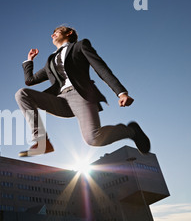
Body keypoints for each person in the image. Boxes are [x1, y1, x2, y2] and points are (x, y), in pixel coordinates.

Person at [15, 25, 150, 157]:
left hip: (80, 96)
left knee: (93, 138)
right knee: (22, 94)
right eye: (52, 33)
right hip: (60, 100)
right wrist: (29, 60)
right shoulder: (50, 61)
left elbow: (101, 68)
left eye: (56, 31)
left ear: (69, 33)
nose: (52, 34)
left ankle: (131, 131)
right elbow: (30, 80)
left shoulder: (80, 46)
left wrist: (121, 92)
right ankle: (42, 142)